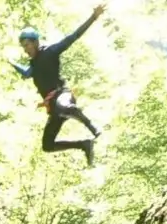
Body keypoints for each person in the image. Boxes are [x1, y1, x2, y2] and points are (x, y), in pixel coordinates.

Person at [9, 4, 106, 166]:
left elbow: (74, 36)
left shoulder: (51, 52)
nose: (25, 49)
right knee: (47, 145)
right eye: (23, 46)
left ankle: (92, 126)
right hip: (53, 108)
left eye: (27, 45)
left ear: (35, 42)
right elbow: (26, 73)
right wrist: (10, 61)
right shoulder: (33, 66)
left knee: (64, 106)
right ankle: (84, 144)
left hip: (63, 94)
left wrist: (93, 17)